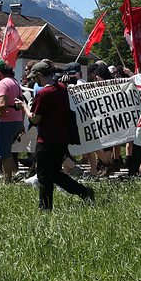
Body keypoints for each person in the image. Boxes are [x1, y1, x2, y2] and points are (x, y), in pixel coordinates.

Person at [16, 61, 94, 210]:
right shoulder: (62, 88)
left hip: (46, 139)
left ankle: (45, 208)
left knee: (44, 176)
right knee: (54, 174)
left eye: (35, 77)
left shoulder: (44, 93)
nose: (34, 80)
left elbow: (35, 119)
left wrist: (24, 107)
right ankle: (84, 192)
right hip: (61, 138)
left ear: (39, 75)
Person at [0, 59, 25, 183]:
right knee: (7, 151)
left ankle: (7, 181)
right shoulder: (15, 82)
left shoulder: (2, 83)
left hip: (7, 121)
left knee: (3, 153)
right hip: (17, 119)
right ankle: (14, 173)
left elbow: (2, 104)